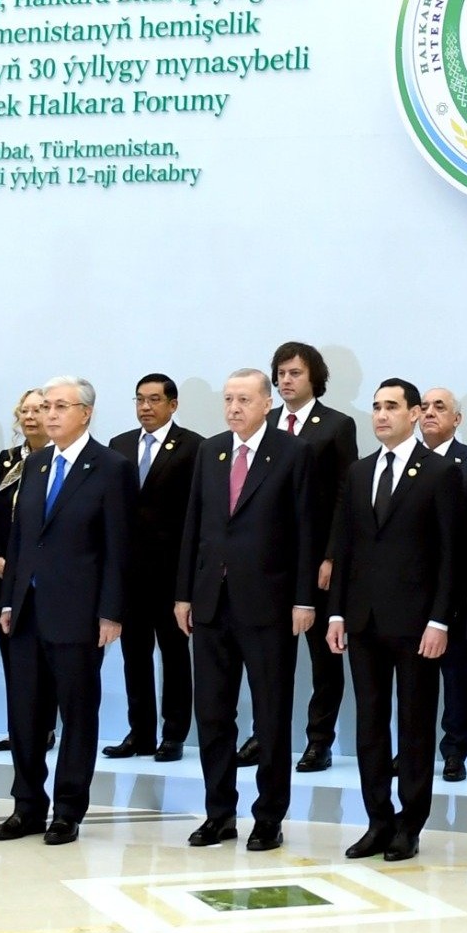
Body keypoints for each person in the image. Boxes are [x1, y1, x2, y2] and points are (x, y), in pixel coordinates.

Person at [175, 369, 318, 851]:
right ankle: (219, 814)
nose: (233, 408)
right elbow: (194, 524)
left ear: (266, 404)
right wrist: (184, 593)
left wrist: (304, 599)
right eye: (228, 399)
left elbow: (306, 530)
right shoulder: (211, 451)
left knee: (271, 717)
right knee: (212, 715)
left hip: (268, 605)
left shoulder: (293, 452)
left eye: (244, 399)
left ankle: (268, 817)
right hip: (211, 603)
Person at [325, 378, 460, 862]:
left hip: (418, 624)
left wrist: (440, 620)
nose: (381, 415)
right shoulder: (360, 471)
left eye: (391, 407)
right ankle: (378, 820)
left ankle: (410, 824)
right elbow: (344, 547)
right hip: (363, 620)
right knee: (369, 724)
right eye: (376, 407)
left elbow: (451, 555)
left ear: (414, 413)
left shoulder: (439, 472)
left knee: (416, 725)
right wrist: (336, 612)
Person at [0, 377, 130, 846]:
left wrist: (111, 612)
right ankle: (26, 806)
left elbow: (119, 546)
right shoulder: (34, 464)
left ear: (85, 413)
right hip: (27, 610)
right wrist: (9, 599)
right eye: (46, 406)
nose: (49, 414)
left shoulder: (110, 467)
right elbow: (19, 539)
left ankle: (68, 810)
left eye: (60, 407)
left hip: (79, 612)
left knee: (77, 714)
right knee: (25, 715)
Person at [259, 340, 358, 773]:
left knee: (323, 658)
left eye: (294, 373)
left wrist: (332, 555)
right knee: (267, 656)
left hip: (316, 558)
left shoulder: (336, 425)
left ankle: (320, 740)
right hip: (269, 561)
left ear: (314, 377)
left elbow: (345, 495)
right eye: (280, 373)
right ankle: (265, 734)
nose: (286, 381)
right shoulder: (265, 422)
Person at [105, 373, 197, 761]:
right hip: (130, 574)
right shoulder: (120, 445)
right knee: (134, 656)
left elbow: (195, 517)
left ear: (172, 405)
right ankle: (139, 733)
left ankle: (173, 734)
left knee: (174, 656)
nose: (146, 406)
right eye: (140, 399)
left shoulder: (194, 447)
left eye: (154, 399)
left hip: (172, 574)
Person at [420, 386, 467, 782]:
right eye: (424, 407)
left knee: (455, 674)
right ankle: (413, 750)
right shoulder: (405, 461)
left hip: (457, 590)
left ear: (457, 419)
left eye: (440, 407)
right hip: (410, 590)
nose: (430, 412)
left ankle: (454, 750)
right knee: (414, 678)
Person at [0, 390, 49, 754]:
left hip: (45, 578)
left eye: (39, 409)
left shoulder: (60, 460)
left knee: (47, 657)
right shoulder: (9, 460)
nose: (31, 416)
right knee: (13, 655)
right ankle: (19, 729)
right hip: (5, 576)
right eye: (25, 410)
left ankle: (45, 729)